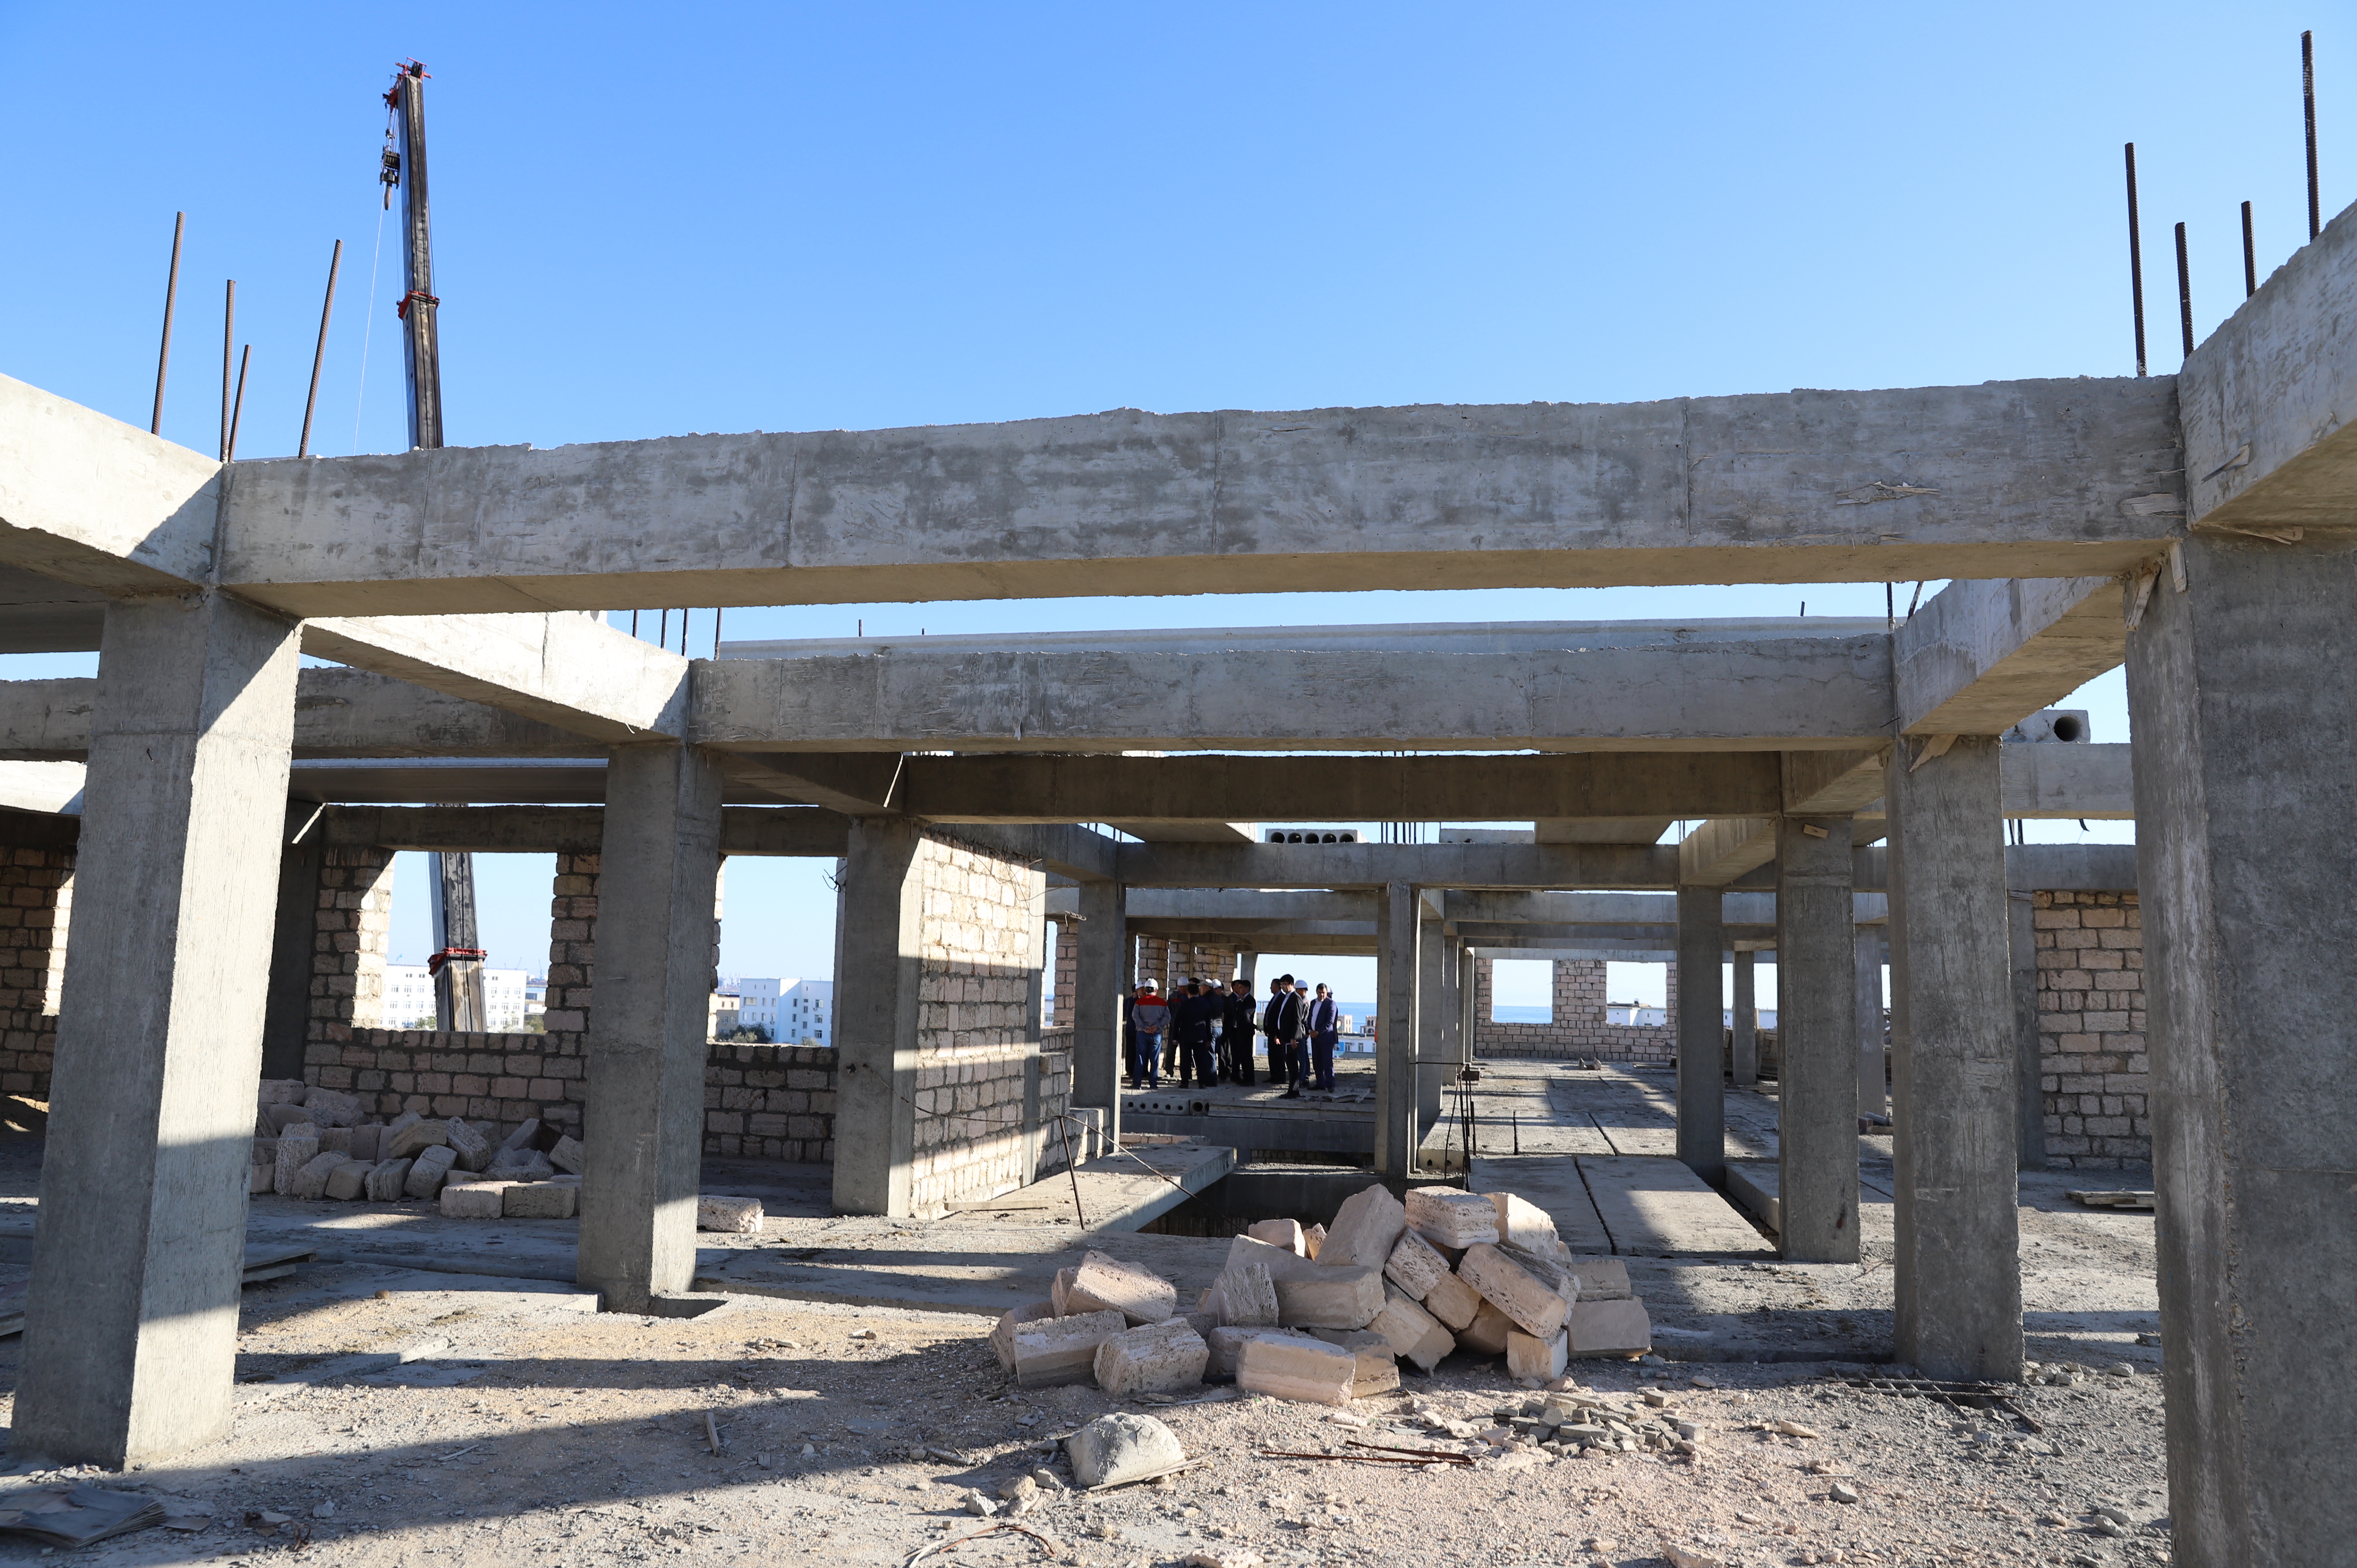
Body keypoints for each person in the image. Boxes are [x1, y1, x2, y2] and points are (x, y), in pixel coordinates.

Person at [1263, 975, 1305, 1098]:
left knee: (1292, 1064)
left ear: (1291, 984)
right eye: (1281, 985)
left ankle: (1294, 1090)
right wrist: (1278, 1034)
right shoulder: (1286, 998)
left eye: (1285, 984)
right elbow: (1281, 1017)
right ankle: (1292, 1090)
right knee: (1289, 1063)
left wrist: (1294, 1038)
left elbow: (1298, 1020)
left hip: (1291, 1037)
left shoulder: (1295, 998)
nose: (1283, 987)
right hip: (1284, 1035)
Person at [1175, 978, 1221, 1088]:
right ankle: (1202, 1082)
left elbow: (1177, 1022)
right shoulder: (1205, 1004)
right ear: (1199, 992)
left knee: (1185, 1060)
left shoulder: (1184, 1004)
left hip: (1186, 1037)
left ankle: (1185, 1082)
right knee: (1201, 1060)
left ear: (1188, 993)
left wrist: (1175, 1037)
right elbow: (1209, 1022)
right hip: (1201, 1037)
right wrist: (1209, 1038)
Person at [1128, 983, 1170, 1089]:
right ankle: (1153, 1084)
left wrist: (1144, 1027)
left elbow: (1135, 1016)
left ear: (1146, 990)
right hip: (1156, 1034)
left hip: (1142, 1034)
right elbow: (1167, 1017)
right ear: (1156, 990)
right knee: (1155, 1060)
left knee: (1140, 1059)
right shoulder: (1162, 1003)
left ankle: (1137, 1083)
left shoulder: (1139, 1002)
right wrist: (1157, 1026)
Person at [1221, 975, 1259, 1085]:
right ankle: (1245, 1077)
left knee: (1247, 1056)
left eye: (1241, 988)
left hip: (1246, 1032)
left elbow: (1246, 1014)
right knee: (1241, 1055)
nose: (1239, 990)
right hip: (1238, 1032)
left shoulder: (1250, 1000)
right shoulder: (1241, 1000)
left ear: (1247, 989)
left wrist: (1239, 1003)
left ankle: (1250, 1078)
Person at [1305, 982, 1341, 1093]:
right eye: (1320, 993)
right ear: (1317, 992)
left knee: (1327, 1062)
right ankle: (1320, 1083)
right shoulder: (1313, 1003)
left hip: (1326, 1038)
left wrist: (1318, 1032)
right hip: (1314, 1037)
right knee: (1317, 1061)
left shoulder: (1331, 1004)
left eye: (1324, 993)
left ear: (1327, 993)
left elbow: (1330, 1021)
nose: (1322, 995)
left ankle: (1330, 1084)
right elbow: (1310, 1018)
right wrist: (1310, 1031)